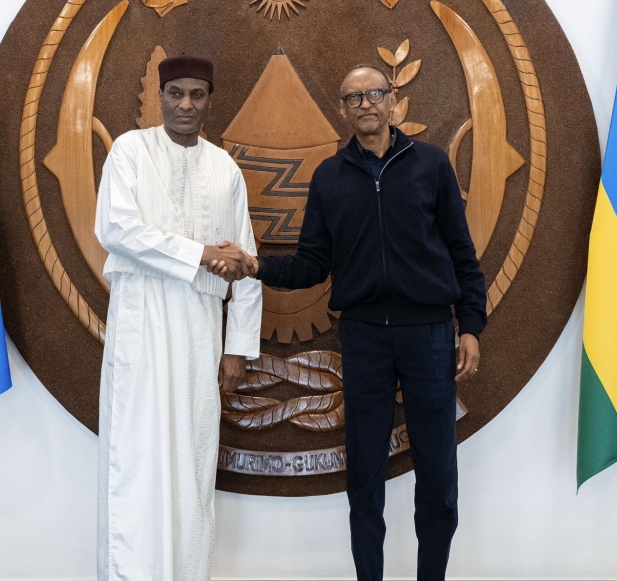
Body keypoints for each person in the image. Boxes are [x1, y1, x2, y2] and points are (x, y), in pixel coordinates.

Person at [210, 65, 486, 581]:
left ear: (392, 99)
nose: (365, 103)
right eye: (353, 97)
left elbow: (462, 254)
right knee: (364, 478)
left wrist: (469, 325)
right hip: (363, 339)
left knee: (438, 478)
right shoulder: (329, 177)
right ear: (343, 110)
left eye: (374, 93)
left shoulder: (431, 165)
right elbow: (312, 265)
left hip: (429, 337)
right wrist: (255, 265)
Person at [94, 55, 260, 581]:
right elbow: (116, 229)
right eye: (175, 94)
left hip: (199, 327)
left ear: (209, 100)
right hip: (142, 323)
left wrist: (238, 345)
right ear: (161, 97)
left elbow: (246, 261)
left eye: (197, 94)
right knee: (137, 458)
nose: (186, 105)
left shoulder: (225, 167)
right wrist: (200, 254)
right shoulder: (130, 150)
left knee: (192, 460)